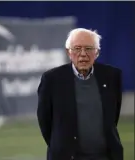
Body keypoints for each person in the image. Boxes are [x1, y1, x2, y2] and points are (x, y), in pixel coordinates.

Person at [37, 28, 123, 160]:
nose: (83, 54)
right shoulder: (52, 79)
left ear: (97, 53)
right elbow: (45, 121)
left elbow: (113, 117)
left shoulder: (111, 76)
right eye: (77, 48)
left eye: (89, 49)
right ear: (69, 52)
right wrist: (60, 145)